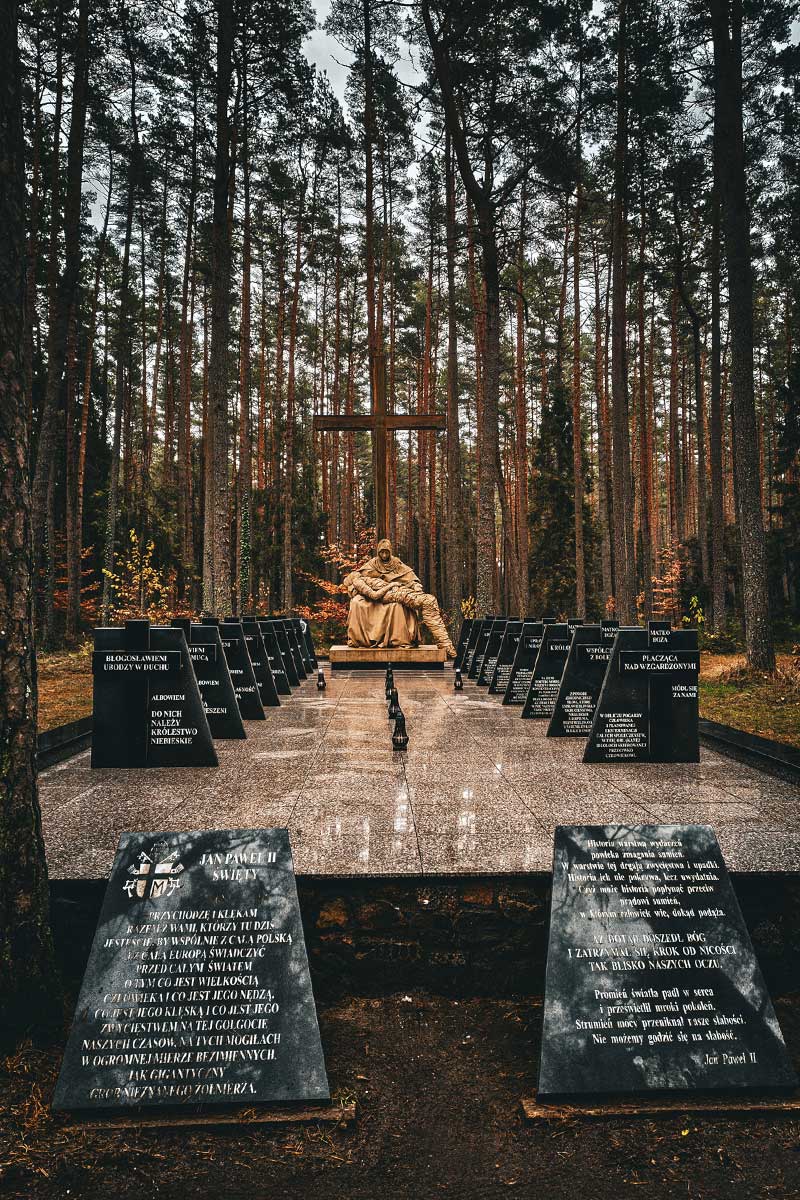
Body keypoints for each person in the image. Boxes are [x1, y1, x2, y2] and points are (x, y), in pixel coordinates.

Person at [343, 538, 456, 657]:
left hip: (399, 590)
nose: (385, 555)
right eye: (382, 552)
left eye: (386, 552)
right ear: (378, 553)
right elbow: (373, 595)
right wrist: (390, 585)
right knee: (429, 601)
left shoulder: (396, 564)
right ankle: (445, 644)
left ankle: (445, 643)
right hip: (392, 593)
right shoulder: (365, 573)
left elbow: (410, 577)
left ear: (390, 552)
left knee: (430, 601)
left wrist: (416, 586)